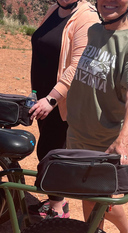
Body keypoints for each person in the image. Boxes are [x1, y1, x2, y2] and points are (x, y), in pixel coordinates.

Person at [64, 0, 128, 233]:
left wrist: (124, 139)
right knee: (85, 196)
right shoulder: (95, 31)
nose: (109, 1)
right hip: (77, 129)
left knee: (98, 198)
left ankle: (127, 232)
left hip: (103, 137)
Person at [28, 0, 99, 218]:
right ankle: (56, 201)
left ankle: (57, 211)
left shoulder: (86, 17)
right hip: (43, 96)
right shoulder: (54, 10)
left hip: (61, 101)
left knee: (53, 152)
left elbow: (78, 65)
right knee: (48, 148)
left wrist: (52, 98)